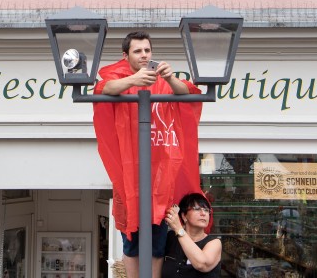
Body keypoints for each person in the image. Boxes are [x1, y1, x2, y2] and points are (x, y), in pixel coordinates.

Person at [93, 31, 203, 278]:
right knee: (131, 239)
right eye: (137, 51)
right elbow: (105, 87)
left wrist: (171, 78)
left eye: (147, 50)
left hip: (160, 179)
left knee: (157, 243)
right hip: (130, 175)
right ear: (125, 55)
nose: (144, 55)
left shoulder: (162, 79)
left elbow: (187, 93)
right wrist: (134, 80)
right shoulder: (120, 75)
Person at [162, 193, 222, 277]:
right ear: (184, 216)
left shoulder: (214, 243)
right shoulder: (171, 238)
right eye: (197, 209)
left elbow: (201, 264)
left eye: (206, 210)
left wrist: (179, 229)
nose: (203, 213)